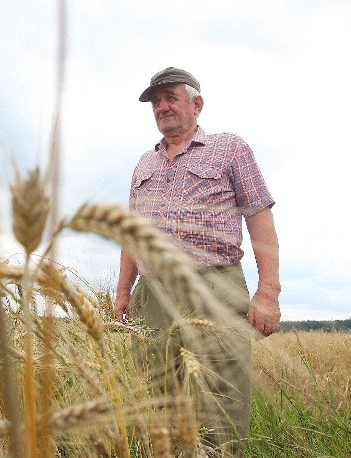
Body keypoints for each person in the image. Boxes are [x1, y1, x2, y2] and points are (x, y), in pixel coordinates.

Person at [114, 67, 280, 456]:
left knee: (221, 402)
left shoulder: (230, 149)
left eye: (170, 96)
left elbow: (260, 217)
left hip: (215, 288)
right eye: (155, 101)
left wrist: (268, 291)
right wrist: (123, 293)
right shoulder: (143, 164)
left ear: (197, 103)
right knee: (158, 402)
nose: (161, 107)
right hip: (152, 295)